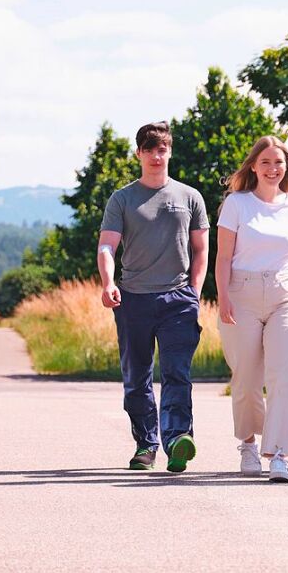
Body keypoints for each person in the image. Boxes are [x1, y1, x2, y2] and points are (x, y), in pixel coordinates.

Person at [97, 121, 209, 474]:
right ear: (139, 154)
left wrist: (194, 292)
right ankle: (146, 443)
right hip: (133, 299)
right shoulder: (123, 198)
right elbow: (107, 245)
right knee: (137, 377)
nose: (156, 156)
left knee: (178, 373)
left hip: (178, 299)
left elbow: (202, 249)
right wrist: (107, 281)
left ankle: (177, 439)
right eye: (149, 149)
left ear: (169, 152)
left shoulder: (190, 197)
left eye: (162, 149)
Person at [215, 136, 288, 483]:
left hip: (286, 293)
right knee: (246, 377)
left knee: (284, 375)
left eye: (279, 163)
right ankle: (247, 443)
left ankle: (278, 454)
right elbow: (223, 257)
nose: (273, 169)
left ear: (287, 167)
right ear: (253, 167)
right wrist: (223, 297)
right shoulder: (237, 204)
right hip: (241, 293)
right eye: (266, 163)